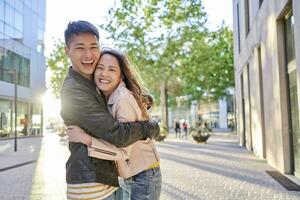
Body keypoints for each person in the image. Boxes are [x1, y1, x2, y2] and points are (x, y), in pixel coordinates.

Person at [60, 21, 160, 200]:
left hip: (120, 177)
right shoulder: (75, 90)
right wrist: (149, 127)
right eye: (80, 48)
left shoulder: (96, 86)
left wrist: (150, 125)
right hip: (91, 182)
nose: (88, 54)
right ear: (67, 50)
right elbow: (118, 135)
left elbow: (120, 138)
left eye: (93, 47)